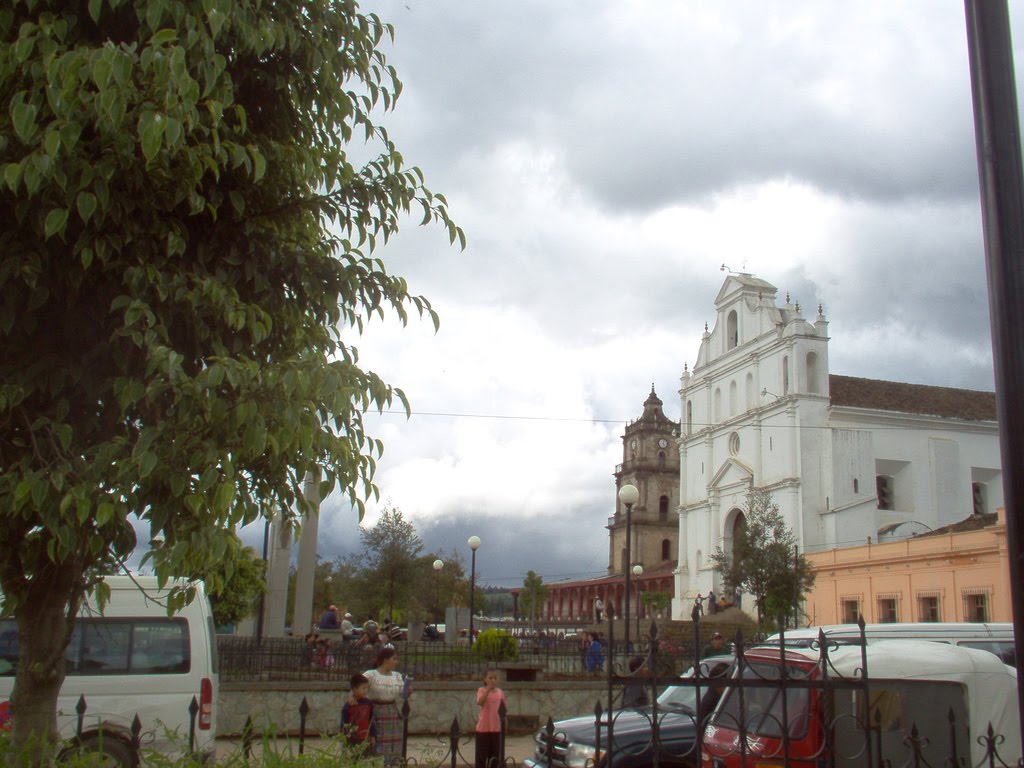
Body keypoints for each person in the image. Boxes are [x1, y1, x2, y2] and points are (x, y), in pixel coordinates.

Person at [362, 646, 407, 764]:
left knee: (392, 742)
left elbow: (403, 694)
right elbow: (358, 687)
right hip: (375, 711)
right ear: (386, 660)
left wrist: (408, 688)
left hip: (391, 711)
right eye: (394, 659)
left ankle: (391, 763)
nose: (396, 662)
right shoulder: (371, 674)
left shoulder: (397, 676)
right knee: (377, 740)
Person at [475, 669, 507, 768]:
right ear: (485, 679)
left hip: (496, 728)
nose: (493, 680)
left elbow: (504, 709)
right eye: (490, 678)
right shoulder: (482, 690)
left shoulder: (500, 692)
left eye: (495, 678)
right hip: (483, 728)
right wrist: (488, 689)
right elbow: (481, 702)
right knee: (481, 756)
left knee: (494, 756)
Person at [341, 673, 376, 751]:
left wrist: (373, 735)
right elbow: (344, 722)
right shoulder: (349, 705)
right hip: (352, 738)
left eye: (367, 688)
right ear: (354, 689)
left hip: (365, 737)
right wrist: (344, 737)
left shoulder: (368, 704)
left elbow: (371, 721)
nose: (366, 691)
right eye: (363, 688)